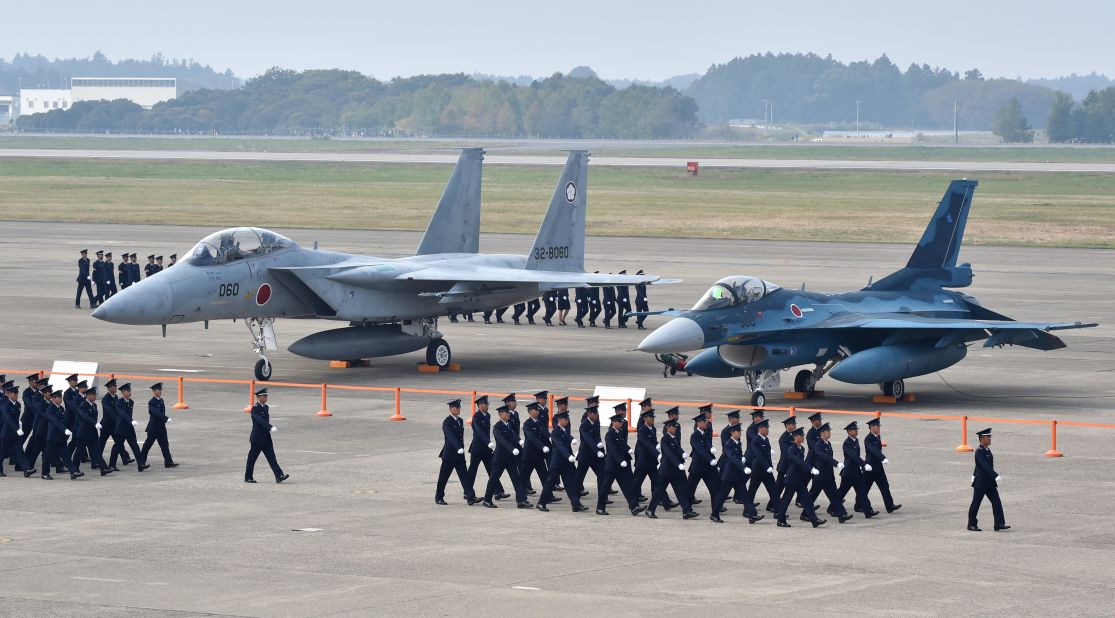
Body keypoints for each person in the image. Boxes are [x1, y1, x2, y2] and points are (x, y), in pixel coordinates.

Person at [645, 419, 698, 519]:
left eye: (675, 427)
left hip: (675, 471)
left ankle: (687, 511)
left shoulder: (674, 438)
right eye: (673, 427)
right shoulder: (664, 439)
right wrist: (678, 464)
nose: (675, 428)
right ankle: (650, 510)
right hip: (666, 471)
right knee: (658, 491)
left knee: (680, 491)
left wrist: (683, 453)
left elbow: (677, 448)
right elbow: (669, 454)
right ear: (668, 428)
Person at [595, 413, 647, 516]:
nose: (621, 423)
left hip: (621, 466)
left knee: (627, 486)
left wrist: (629, 449)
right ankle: (600, 508)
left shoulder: (618, 433)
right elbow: (612, 450)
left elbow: (623, 443)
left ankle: (634, 507)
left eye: (621, 422)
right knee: (605, 487)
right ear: (613, 422)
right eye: (619, 422)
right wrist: (620, 461)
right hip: (612, 466)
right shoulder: (609, 434)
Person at [536, 411, 588, 512]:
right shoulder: (555, 432)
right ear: (559, 420)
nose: (567, 421)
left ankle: (576, 504)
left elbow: (567, 444)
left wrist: (572, 455)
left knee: (570, 484)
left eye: (567, 419)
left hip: (566, 463)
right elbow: (560, 446)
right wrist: (569, 456)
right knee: (549, 484)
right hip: (557, 463)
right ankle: (541, 503)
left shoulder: (565, 431)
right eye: (565, 419)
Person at [775, 427, 825, 528]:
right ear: (796, 437)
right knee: (786, 500)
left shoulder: (801, 448)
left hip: (800, 479)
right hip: (792, 479)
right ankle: (780, 520)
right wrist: (811, 469)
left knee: (807, 500)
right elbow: (799, 461)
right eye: (801, 436)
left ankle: (814, 520)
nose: (803, 438)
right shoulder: (791, 449)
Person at [711, 425, 762, 524]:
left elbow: (738, 456)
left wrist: (742, 457)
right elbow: (733, 458)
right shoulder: (729, 444)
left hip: (737, 475)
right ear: (732, 432)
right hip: (729, 475)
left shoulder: (738, 443)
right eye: (737, 431)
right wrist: (744, 467)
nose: (740, 433)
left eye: (740, 431)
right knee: (722, 496)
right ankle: (714, 514)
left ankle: (752, 515)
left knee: (745, 496)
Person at [481, 405, 529, 508]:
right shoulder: (497, 427)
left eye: (508, 413)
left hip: (510, 458)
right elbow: (502, 440)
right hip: (500, 458)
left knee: (516, 478)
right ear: (500, 414)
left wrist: (519, 440)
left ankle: (521, 500)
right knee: (494, 479)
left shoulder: (508, 424)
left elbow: (513, 435)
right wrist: (512, 449)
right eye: (506, 413)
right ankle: (487, 499)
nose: (508, 414)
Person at [435, 399, 479, 505]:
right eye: (456, 408)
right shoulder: (447, 422)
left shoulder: (460, 420)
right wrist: (458, 447)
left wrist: (461, 449)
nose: (458, 409)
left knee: (465, 477)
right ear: (451, 409)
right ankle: (439, 497)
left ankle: (471, 497)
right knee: (443, 477)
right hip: (449, 454)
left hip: (459, 455)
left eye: (459, 407)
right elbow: (450, 436)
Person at [806, 423, 853, 523]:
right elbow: (825, 457)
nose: (829, 433)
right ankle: (805, 514)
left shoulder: (828, 443)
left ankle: (842, 515)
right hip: (820, 476)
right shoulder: (818, 445)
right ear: (822, 433)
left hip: (829, 476)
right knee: (812, 496)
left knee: (835, 496)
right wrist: (836, 464)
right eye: (828, 431)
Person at [466, 395, 507, 500]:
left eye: (487, 404)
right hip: (477, 448)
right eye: (485, 404)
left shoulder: (487, 415)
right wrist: (488, 442)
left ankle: (497, 491)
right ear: (479, 405)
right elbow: (479, 432)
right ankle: (467, 492)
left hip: (486, 449)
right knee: (472, 471)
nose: (487, 406)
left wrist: (489, 444)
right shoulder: (476, 417)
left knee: (492, 470)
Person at [968, 428, 1009, 532]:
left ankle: (999, 524)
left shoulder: (987, 450)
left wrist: (974, 474)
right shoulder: (979, 452)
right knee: (976, 504)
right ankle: (971, 524)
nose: (990, 439)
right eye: (988, 437)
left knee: (996, 502)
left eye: (990, 437)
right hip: (981, 483)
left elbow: (979, 465)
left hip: (989, 482)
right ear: (982, 438)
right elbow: (985, 466)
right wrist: (995, 475)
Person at [245, 388, 289, 483]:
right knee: (252, 459)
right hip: (257, 438)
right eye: (264, 396)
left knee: (272, 457)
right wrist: (270, 427)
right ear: (259, 397)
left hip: (266, 438)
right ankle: (248, 477)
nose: (266, 398)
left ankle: (279, 476)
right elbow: (261, 421)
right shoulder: (255, 409)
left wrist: (268, 429)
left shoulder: (266, 407)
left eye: (266, 396)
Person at [836, 422, 877, 518]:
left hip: (857, 473)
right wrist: (864, 464)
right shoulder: (847, 443)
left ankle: (868, 511)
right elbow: (854, 456)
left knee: (862, 492)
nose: (856, 431)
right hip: (849, 473)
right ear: (849, 432)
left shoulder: (856, 441)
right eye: (854, 430)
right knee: (841, 493)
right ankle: (832, 508)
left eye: (856, 429)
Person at [40, 391, 81, 480]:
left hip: (61, 437)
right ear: (53, 399)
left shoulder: (61, 409)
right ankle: (45, 473)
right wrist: (65, 429)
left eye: (61, 397)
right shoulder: (50, 409)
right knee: (47, 457)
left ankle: (73, 472)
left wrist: (68, 429)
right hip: (53, 437)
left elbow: (64, 421)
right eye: (58, 397)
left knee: (66, 456)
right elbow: (55, 421)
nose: (61, 399)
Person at [73, 387, 113, 476]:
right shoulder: (83, 405)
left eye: (95, 395)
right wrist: (95, 423)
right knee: (79, 452)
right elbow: (85, 416)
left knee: (96, 451)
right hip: (83, 433)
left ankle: (103, 468)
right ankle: (75, 469)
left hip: (92, 433)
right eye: (93, 395)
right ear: (88, 396)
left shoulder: (94, 405)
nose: (95, 397)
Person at [864, 418, 901, 513]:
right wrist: (883, 458)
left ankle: (889, 506)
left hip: (878, 467)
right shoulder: (868, 438)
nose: (878, 428)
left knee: (884, 486)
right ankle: (858, 504)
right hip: (870, 467)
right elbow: (874, 450)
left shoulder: (877, 437)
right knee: (865, 488)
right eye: (877, 426)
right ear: (871, 427)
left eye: (879, 426)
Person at [110, 384, 148, 471]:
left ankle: (141, 464)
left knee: (135, 446)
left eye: (130, 390)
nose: (130, 392)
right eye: (128, 391)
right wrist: (131, 420)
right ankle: (112, 465)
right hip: (121, 428)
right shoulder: (119, 402)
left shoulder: (131, 402)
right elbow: (123, 414)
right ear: (123, 392)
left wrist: (131, 422)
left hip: (129, 428)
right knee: (117, 447)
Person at [0, 384, 36, 477]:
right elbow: (8, 418)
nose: (16, 395)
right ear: (8, 394)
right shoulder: (5, 405)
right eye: (14, 393)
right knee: (2, 453)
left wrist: (19, 427)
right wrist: (17, 429)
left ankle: (26, 469)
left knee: (20, 451)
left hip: (15, 434)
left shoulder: (18, 405)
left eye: (17, 393)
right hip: (6, 433)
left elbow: (16, 419)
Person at [141, 383, 178, 469]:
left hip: (161, 427)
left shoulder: (161, 400)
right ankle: (141, 462)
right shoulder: (152, 402)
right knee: (147, 446)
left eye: (160, 390)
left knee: (165, 445)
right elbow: (156, 413)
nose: (160, 391)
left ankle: (168, 462)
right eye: (158, 390)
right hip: (153, 428)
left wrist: (164, 420)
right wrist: (165, 418)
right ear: (154, 391)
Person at [686, 411, 720, 508]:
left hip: (707, 467)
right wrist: (710, 459)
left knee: (714, 488)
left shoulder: (704, 434)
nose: (706, 423)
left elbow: (707, 443)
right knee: (690, 489)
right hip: (697, 467)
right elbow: (700, 450)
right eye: (704, 422)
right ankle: (687, 510)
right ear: (699, 423)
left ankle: (715, 511)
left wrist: (711, 448)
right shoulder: (694, 436)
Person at [746, 419, 780, 512]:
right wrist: (767, 466)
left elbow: (767, 453)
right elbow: (758, 455)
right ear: (760, 428)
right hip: (758, 471)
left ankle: (778, 512)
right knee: (752, 492)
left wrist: (769, 465)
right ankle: (747, 510)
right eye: (766, 428)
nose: (767, 430)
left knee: (774, 492)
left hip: (767, 471)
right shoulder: (755, 440)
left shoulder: (766, 439)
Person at [521, 403, 553, 497]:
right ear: (530, 411)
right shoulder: (527, 424)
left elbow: (545, 432)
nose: (538, 412)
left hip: (538, 455)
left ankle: (549, 495)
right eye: (536, 410)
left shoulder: (539, 422)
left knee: (544, 476)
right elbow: (532, 438)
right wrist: (542, 446)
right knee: (524, 477)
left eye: (538, 410)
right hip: (529, 455)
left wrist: (551, 438)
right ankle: (521, 497)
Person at [574, 405, 605, 498]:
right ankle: (575, 496)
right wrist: (597, 450)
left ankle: (602, 497)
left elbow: (597, 436)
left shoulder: (595, 423)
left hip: (594, 456)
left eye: (597, 413)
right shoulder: (584, 425)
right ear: (589, 414)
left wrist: (599, 442)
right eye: (595, 413)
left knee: (602, 475)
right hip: (585, 455)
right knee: (579, 477)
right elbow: (588, 440)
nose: (597, 415)